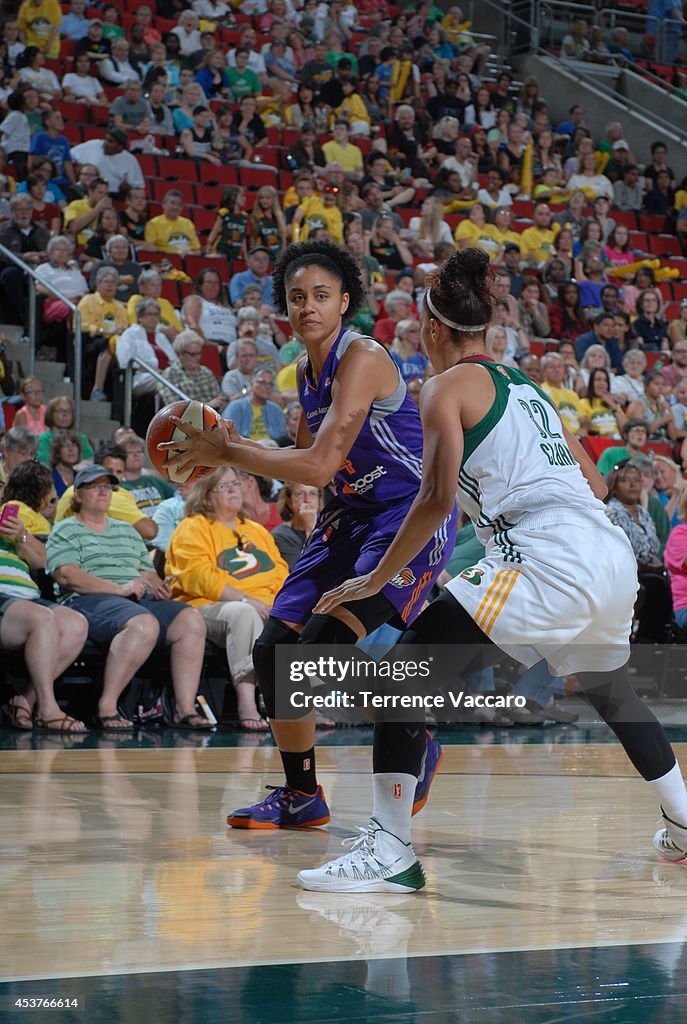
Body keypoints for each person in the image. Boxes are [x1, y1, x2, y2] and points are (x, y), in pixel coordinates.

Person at [303, 247, 687, 892]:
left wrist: (375, 581)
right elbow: (593, 483)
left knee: (399, 676)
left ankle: (390, 848)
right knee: (610, 689)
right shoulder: (527, 387)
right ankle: (684, 816)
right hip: (606, 551)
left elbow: (434, 500)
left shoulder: (443, 387)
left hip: (545, 554)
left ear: (431, 328)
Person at [160, 239, 458, 830]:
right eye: (296, 298)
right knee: (274, 655)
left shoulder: (364, 357)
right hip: (347, 518)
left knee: (320, 651)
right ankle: (303, 796)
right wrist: (243, 457)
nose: (307, 307)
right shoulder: (303, 371)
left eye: (321, 295)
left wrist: (231, 450)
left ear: (345, 301)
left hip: (405, 517)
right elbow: (308, 459)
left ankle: (417, 732)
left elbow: (317, 466)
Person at [46, 463, 211, 732]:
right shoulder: (66, 529)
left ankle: (184, 709)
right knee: (143, 623)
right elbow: (67, 576)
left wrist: (158, 587)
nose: (103, 492)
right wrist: (118, 588)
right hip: (88, 599)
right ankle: (107, 707)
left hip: (134, 598)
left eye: (107, 487)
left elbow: (147, 573)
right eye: (95, 487)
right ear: (78, 494)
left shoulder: (126, 530)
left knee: (190, 620)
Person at [166, 466, 288, 731]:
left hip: (263, 605)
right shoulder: (193, 527)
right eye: (224, 486)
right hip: (206, 608)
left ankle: (310, 704)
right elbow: (198, 576)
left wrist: (278, 605)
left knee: (304, 615)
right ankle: (248, 702)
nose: (234, 489)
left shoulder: (256, 531)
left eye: (236, 484)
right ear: (207, 496)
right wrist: (246, 600)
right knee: (243, 614)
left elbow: (280, 572)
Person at [0, 463, 89, 734]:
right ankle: (48, 710)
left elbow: (41, 560)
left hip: (28, 595)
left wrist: (21, 536)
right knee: (43, 619)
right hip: (5, 596)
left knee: (76, 624)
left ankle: (25, 701)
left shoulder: (12, 517)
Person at [272, 482, 321, 571]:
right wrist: (310, 529)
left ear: (319, 501)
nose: (307, 500)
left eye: (313, 494)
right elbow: (304, 571)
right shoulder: (280, 535)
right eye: (300, 494)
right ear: (289, 501)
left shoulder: (330, 527)